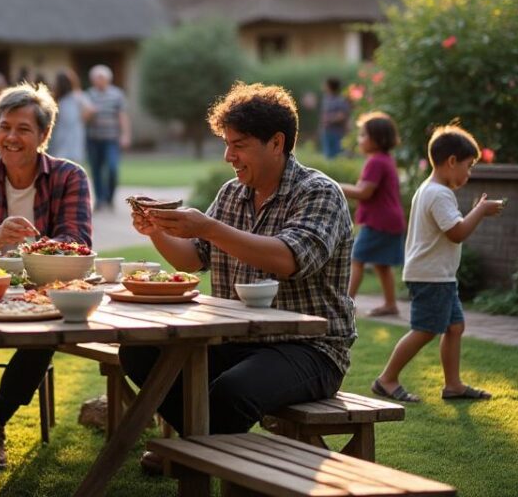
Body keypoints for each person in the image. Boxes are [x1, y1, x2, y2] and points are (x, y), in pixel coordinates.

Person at [121, 82, 355, 436]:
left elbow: (289, 259)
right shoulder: (232, 193)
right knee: (138, 353)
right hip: (236, 340)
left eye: (239, 146)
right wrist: (156, 229)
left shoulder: (320, 193)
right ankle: (199, 442)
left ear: (276, 143)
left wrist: (210, 227)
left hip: (311, 349)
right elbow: (192, 259)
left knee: (232, 391)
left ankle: (195, 451)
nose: (229, 156)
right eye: (227, 145)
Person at [0, 82, 92, 468]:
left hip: (41, 291)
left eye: (23, 129)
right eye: (4, 126)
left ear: (43, 135)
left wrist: (30, 252)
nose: (11, 137)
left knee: (49, 328)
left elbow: (76, 242)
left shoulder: (69, 176)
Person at [372, 125, 504, 403]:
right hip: (431, 276)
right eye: (468, 166)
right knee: (425, 329)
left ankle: (453, 385)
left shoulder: (429, 189)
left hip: (438, 275)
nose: (469, 174)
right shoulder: (439, 194)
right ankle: (387, 379)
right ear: (452, 161)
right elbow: (456, 233)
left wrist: (474, 212)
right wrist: (479, 211)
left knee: (455, 327)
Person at [340, 112, 407, 317]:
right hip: (391, 220)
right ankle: (390, 304)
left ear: (377, 139)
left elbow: (363, 192)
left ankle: (345, 302)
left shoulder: (376, 162)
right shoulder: (386, 159)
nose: (360, 139)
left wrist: (334, 186)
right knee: (382, 265)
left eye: (363, 135)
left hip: (379, 221)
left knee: (356, 259)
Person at [85, 64, 131, 211]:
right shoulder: (89, 95)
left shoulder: (117, 94)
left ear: (108, 79)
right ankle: (100, 200)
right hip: (93, 139)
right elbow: (83, 118)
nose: (99, 81)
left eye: (102, 78)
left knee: (112, 168)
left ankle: (110, 197)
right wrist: (90, 113)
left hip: (111, 139)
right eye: (97, 78)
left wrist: (125, 135)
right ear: (93, 80)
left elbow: (122, 116)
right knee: (96, 170)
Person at [47, 69, 93, 165]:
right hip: (62, 132)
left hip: (71, 133)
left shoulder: (76, 96)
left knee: (70, 161)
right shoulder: (58, 97)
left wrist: (80, 120)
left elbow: (90, 110)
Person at [319, 77, 351, 158]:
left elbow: (342, 115)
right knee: (328, 155)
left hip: (337, 132)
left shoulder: (340, 100)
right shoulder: (326, 98)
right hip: (327, 130)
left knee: (338, 154)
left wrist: (329, 119)